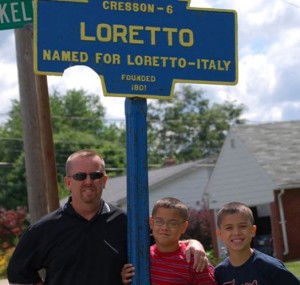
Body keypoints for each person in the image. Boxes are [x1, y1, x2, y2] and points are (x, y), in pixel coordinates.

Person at [7, 149, 208, 285]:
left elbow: (166, 241)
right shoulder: (44, 229)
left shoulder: (127, 224)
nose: (88, 181)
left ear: (104, 180)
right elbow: (18, 271)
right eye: (80, 176)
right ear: (68, 182)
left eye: (95, 175)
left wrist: (193, 243)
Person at [122, 197, 217, 285]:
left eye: (173, 223)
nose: (164, 227)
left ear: (184, 227)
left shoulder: (194, 260)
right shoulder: (140, 257)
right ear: (151, 222)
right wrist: (124, 279)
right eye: (159, 221)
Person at [214, 201, 300, 285]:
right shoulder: (219, 273)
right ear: (220, 234)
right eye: (229, 228)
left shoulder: (271, 268)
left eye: (242, 226)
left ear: (253, 230)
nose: (236, 232)